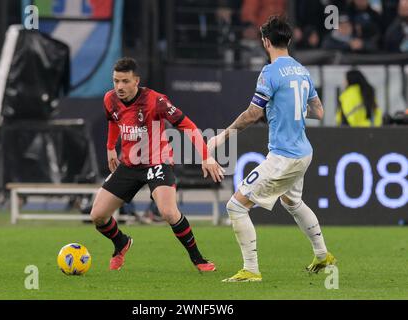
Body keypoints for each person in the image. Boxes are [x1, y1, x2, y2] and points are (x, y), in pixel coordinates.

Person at [208, 16, 336, 282]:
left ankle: (251, 270)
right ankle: (322, 255)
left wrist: (222, 137)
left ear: (265, 41)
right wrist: (292, 110)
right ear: (288, 40)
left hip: (284, 156)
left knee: (236, 206)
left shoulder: (270, 71)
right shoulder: (302, 70)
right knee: (292, 202)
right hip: (304, 152)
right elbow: (319, 112)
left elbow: (253, 113)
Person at [90, 57, 224, 272]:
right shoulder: (110, 99)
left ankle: (198, 259)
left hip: (157, 162)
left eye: (125, 81)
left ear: (136, 81)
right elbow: (113, 121)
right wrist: (109, 147)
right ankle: (121, 243)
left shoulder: (156, 101)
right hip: (129, 164)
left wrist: (206, 156)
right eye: (116, 81)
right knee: (97, 216)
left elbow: (187, 125)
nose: (119, 87)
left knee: (169, 213)